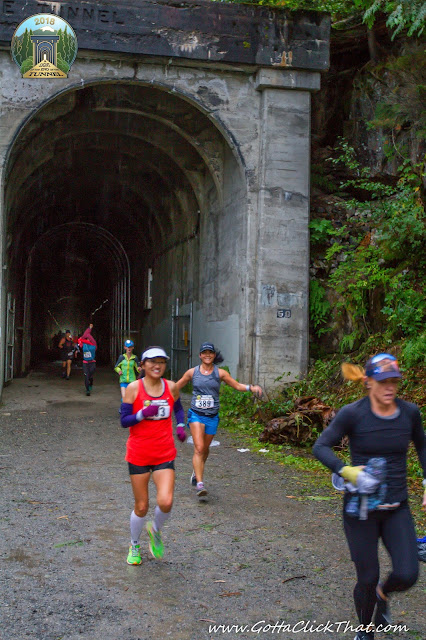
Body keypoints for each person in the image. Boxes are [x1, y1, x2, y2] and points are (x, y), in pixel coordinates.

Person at [312, 353, 426, 640]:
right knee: (367, 576)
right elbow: (321, 446)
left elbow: (423, 447)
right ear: (369, 382)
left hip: (396, 506)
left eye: (394, 382)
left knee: (408, 573)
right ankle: (365, 630)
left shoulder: (409, 413)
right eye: (383, 381)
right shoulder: (353, 413)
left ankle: (382, 594)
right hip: (360, 510)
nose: (390, 387)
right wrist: (346, 471)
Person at [120, 346, 186, 565]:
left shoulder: (171, 386)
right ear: (143, 365)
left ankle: (155, 531)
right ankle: (134, 544)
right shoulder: (133, 388)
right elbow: (124, 421)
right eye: (152, 362)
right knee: (142, 506)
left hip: (164, 452)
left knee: (166, 502)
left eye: (162, 362)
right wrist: (141, 414)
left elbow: (177, 407)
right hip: (139, 453)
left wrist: (181, 425)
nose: (157, 366)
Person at [175, 342, 262, 497]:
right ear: (200, 355)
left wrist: (251, 388)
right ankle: (200, 485)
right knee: (199, 448)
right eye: (204, 353)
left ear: (214, 355)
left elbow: (236, 386)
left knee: (205, 449)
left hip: (212, 417)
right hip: (196, 414)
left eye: (210, 353)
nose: (207, 355)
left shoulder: (220, 373)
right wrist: (157, 393)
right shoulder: (192, 372)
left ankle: (196, 472)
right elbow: (176, 386)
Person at [114, 340, 141, 406]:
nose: (129, 348)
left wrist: (139, 369)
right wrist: (119, 370)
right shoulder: (122, 357)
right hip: (123, 380)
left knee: (131, 398)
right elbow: (116, 367)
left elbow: (138, 369)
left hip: (132, 381)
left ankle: (129, 409)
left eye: (130, 347)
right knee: (124, 397)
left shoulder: (135, 358)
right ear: (125, 347)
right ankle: (123, 408)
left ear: (133, 348)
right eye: (127, 347)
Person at [78, 324, 97, 396]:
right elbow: (84, 335)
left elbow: (87, 334)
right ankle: (87, 390)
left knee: (90, 375)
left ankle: (91, 380)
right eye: (86, 338)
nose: (88, 339)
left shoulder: (94, 344)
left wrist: (89, 329)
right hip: (85, 363)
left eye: (89, 338)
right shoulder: (83, 344)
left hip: (92, 363)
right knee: (86, 375)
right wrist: (89, 328)